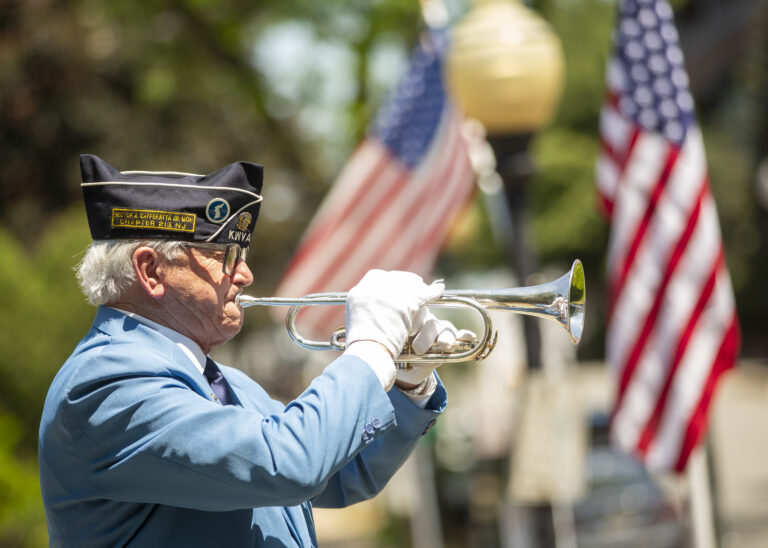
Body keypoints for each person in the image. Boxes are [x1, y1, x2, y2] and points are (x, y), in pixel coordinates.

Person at [38, 154, 474, 547]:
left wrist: (407, 380)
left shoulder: (225, 382)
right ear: (151, 271)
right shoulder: (106, 382)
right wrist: (371, 349)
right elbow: (289, 463)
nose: (245, 275)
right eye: (224, 255)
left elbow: (342, 472)